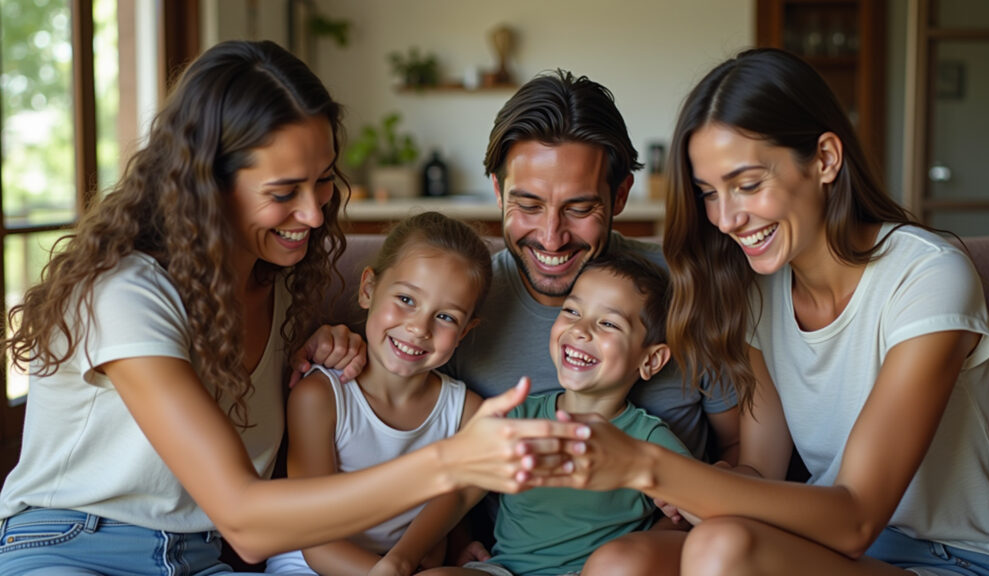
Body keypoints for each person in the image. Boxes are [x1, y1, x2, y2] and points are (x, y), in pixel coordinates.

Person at [0, 41, 589, 576]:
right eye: (284, 193)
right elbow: (246, 521)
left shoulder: (284, 293)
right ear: (207, 186)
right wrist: (452, 463)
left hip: (198, 560)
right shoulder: (126, 294)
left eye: (324, 180)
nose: (313, 213)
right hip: (73, 548)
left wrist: (333, 338)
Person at [549, 48, 989, 576]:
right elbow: (761, 470)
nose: (726, 218)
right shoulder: (759, 289)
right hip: (821, 548)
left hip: (951, 560)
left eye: (748, 184)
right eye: (709, 193)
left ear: (825, 159)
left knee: (722, 546)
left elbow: (858, 517)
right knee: (622, 561)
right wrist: (691, 489)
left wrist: (650, 467)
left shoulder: (928, 276)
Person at [445, 68, 739, 466]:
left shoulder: (687, 286)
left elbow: (739, 447)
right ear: (499, 192)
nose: (552, 238)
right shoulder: (460, 299)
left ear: (620, 196)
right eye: (528, 205)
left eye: (580, 208)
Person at [378, 251, 691, 576]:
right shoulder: (519, 417)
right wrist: (401, 559)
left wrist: (656, 534)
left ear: (651, 360)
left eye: (609, 323)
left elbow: (690, 510)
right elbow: (459, 494)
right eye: (572, 311)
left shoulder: (649, 438)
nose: (580, 330)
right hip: (503, 572)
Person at [264, 212, 493, 575]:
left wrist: (413, 559)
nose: (419, 328)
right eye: (406, 299)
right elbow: (316, 542)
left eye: (446, 317)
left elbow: (441, 522)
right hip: (312, 565)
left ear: (465, 331)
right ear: (368, 289)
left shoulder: (468, 415)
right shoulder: (320, 397)